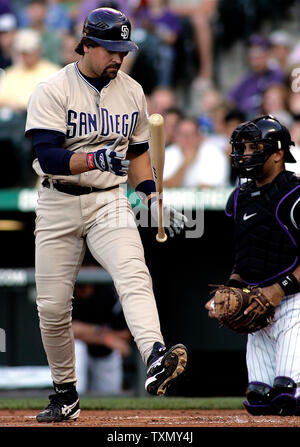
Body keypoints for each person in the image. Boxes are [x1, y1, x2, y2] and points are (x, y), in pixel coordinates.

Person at [25, 7, 188, 423]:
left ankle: (154, 353)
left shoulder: (131, 91)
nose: (118, 57)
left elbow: (136, 154)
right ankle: (65, 392)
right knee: (52, 307)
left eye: (124, 50)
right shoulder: (53, 88)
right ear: (88, 44)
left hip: (107, 201)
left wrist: (150, 194)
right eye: (111, 49)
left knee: (133, 271)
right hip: (58, 200)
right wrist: (96, 157)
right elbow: (48, 155)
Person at [205, 115, 300, 416]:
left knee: (288, 394)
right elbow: (245, 258)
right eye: (242, 148)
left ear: (278, 152)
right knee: (259, 399)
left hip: (294, 302)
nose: (245, 154)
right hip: (258, 305)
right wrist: (232, 289)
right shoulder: (239, 198)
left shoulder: (295, 195)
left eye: (254, 147)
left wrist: (280, 290)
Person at [72, 279, 131, 395]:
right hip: (79, 350)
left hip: (104, 354)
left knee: (110, 396)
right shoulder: (66, 294)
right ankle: (72, 398)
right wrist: (105, 338)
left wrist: (88, 333)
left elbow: (124, 334)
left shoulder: (107, 293)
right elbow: (70, 330)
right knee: (77, 347)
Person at [227, 35, 285, 119]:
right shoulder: (247, 78)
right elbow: (230, 100)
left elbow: (276, 101)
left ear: (267, 55)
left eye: (258, 57)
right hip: (245, 120)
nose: (255, 62)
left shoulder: (276, 74)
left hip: (268, 119)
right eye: (251, 58)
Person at [163, 116, 230, 188]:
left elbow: (211, 188)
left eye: (191, 134)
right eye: (182, 134)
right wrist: (184, 165)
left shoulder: (215, 154)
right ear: (175, 137)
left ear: (199, 136)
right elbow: (163, 188)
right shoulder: (168, 154)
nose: (187, 139)